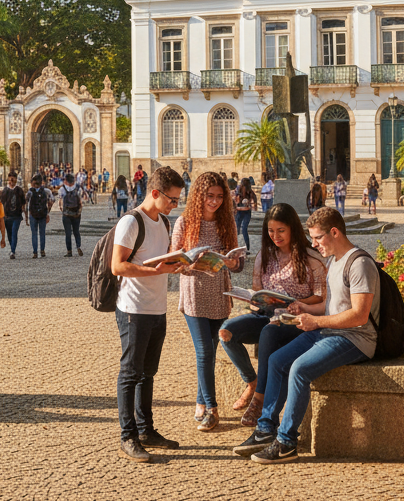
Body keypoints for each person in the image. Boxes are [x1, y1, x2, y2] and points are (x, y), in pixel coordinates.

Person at [233, 207, 380, 464]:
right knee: (277, 361)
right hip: (328, 330)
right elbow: (331, 305)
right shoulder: (334, 260)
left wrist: (316, 321)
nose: (313, 244)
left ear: (334, 232)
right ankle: (266, 429)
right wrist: (304, 308)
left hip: (355, 338)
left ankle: (287, 442)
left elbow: (359, 315)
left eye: (317, 238)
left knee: (299, 368)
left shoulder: (360, 264)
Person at [218, 203, 327, 427]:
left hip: (295, 318)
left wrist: (298, 304)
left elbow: (320, 296)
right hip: (267, 314)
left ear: (292, 229)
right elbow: (257, 289)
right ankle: (252, 380)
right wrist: (255, 301)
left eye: (281, 230)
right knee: (226, 331)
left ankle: (259, 401)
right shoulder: (264, 255)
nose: (275, 236)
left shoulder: (311, 258)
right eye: (270, 230)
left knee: (269, 332)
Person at [111, 165, 185, 463]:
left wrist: (181, 264)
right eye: (171, 199)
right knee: (130, 372)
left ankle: (146, 430)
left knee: (149, 373)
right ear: (154, 193)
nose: (174, 204)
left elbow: (161, 261)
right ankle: (127, 436)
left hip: (157, 307)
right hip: (134, 308)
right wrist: (153, 271)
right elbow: (118, 266)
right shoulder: (131, 222)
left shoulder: (164, 223)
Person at [173, 170, 245, 431]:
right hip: (193, 294)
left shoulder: (227, 223)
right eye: (209, 196)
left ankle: (201, 401)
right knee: (203, 352)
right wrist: (190, 263)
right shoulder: (184, 223)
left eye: (219, 197)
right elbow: (173, 263)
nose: (214, 202)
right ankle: (212, 410)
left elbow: (237, 264)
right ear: (198, 196)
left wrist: (231, 262)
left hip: (218, 295)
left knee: (210, 353)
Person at [26, 173, 54, 257]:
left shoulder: (30, 192)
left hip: (33, 215)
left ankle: (35, 252)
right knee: (42, 233)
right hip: (43, 214)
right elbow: (52, 200)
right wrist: (48, 212)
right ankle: (42, 250)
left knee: (34, 233)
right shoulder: (46, 191)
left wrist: (26, 216)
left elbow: (26, 203)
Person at [0, 172, 26, 259]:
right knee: (9, 233)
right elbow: (1, 203)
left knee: (14, 232)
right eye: (10, 178)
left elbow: (23, 202)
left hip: (17, 216)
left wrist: (24, 213)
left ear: (15, 179)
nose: (11, 180)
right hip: (7, 216)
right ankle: (12, 248)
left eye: (13, 178)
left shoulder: (19, 190)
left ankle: (13, 251)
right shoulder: (5, 190)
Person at [59, 172, 85, 257]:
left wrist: (62, 209)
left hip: (66, 213)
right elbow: (81, 201)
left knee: (68, 233)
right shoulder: (78, 188)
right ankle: (78, 246)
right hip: (76, 213)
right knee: (76, 231)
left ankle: (69, 251)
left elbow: (61, 201)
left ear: (66, 180)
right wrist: (79, 211)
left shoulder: (62, 189)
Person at [234, 180, 257, 253]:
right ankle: (235, 246)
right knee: (237, 229)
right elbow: (235, 203)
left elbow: (254, 201)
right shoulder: (239, 192)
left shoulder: (250, 192)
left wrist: (251, 205)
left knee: (244, 229)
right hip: (240, 212)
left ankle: (246, 248)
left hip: (246, 212)